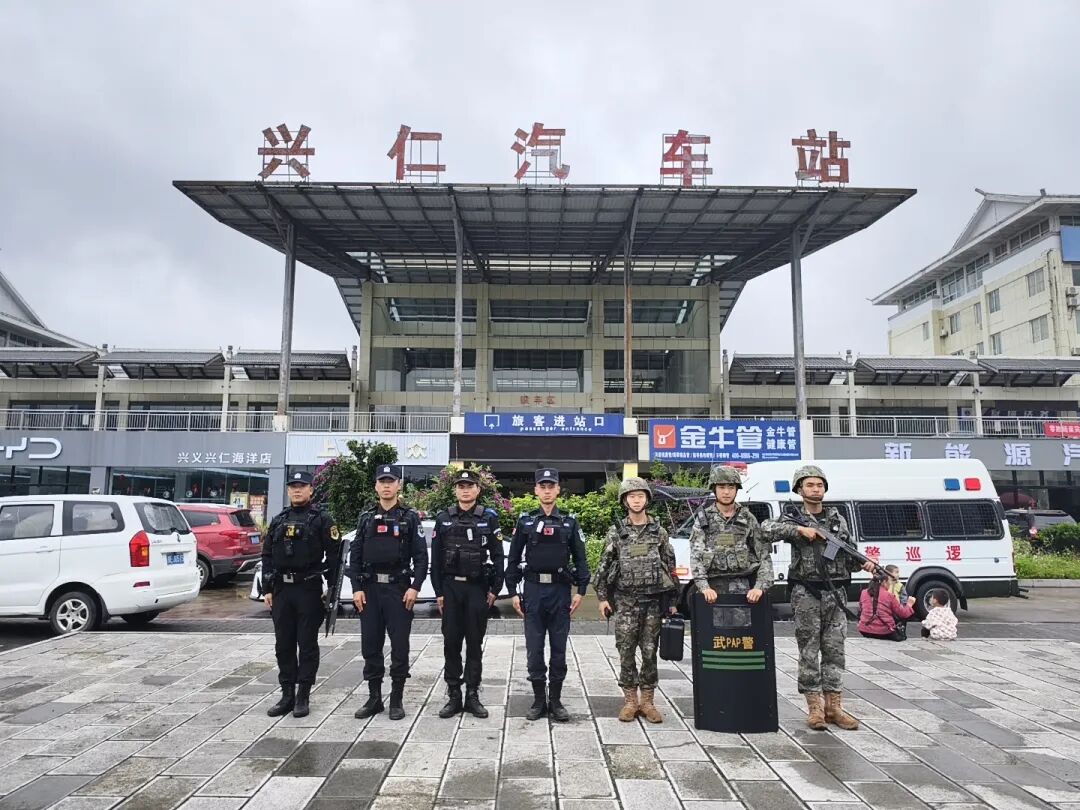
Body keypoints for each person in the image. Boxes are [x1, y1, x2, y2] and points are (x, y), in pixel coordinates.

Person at [762, 464, 875, 732]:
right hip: (806, 593)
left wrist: (865, 563)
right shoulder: (794, 518)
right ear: (799, 489)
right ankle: (814, 708)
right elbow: (766, 529)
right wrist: (799, 531)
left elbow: (849, 554)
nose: (815, 489)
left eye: (819, 485)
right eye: (810, 485)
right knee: (809, 650)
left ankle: (834, 706)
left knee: (835, 650)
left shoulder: (837, 519)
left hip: (835, 593)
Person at [506, 469, 590, 722]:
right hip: (533, 591)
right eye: (542, 486)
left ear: (558, 490)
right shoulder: (525, 521)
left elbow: (581, 558)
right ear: (535, 490)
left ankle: (555, 700)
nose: (546, 491)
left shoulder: (569, 522)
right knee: (534, 648)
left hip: (560, 591)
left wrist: (581, 591)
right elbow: (513, 558)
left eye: (550, 486)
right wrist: (513, 592)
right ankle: (538, 700)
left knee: (558, 648)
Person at [594, 477, 678, 724]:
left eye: (641, 496)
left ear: (647, 499)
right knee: (626, 651)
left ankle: (648, 702)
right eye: (632, 496)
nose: (636, 500)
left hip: (653, 602)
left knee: (650, 652)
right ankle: (630, 701)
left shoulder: (659, 532)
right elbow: (604, 565)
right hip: (626, 602)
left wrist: (672, 601)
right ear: (625, 501)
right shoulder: (617, 532)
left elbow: (670, 566)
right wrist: (602, 598)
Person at [349, 464, 428, 721]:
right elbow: (355, 556)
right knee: (370, 646)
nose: (386, 485)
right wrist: (356, 589)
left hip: (398, 590)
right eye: (382, 481)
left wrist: (415, 587)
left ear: (398, 485)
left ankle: (396, 699)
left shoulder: (409, 517)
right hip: (370, 591)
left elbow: (421, 557)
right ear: (376, 486)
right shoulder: (365, 518)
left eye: (390, 481)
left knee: (400, 647)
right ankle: (374, 698)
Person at [262, 470, 342, 719]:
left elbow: (335, 558)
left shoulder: (322, 520)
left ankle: (303, 695)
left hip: (308, 589)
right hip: (282, 590)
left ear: (311, 490)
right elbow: (266, 555)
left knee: (306, 644)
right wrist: (267, 588)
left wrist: (332, 591)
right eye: (293, 486)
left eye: (302, 486)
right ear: (288, 490)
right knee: (283, 645)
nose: (297, 490)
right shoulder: (279, 520)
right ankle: (287, 694)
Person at [430, 468, 505, 719]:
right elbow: (435, 559)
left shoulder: (489, 518)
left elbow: (498, 556)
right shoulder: (443, 519)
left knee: (474, 643)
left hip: (477, 588)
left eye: (470, 486)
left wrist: (495, 589)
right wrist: (438, 592)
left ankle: (472, 694)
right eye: (461, 486)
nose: (465, 490)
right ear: (455, 491)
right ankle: (454, 694)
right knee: (451, 642)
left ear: (477, 490)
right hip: (451, 589)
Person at [689, 465, 774, 623]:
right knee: (713, 635)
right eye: (722, 487)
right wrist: (704, 587)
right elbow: (696, 556)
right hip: (712, 590)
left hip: (743, 589)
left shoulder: (747, 518)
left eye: (731, 487)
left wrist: (759, 587)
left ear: (736, 490)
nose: (726, 492)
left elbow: (763, 554)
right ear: (714, 489)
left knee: (742, 635)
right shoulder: (703, 519)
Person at [858, 577, 916, 641]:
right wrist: (909, 604)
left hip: (864, 630)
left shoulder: (863, 592)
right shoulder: (889, 595)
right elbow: (903, 614)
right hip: (884, 631)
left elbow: (861, 609)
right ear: (884, 582)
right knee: (901, 635)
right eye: (889, 582)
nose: (890, 584)